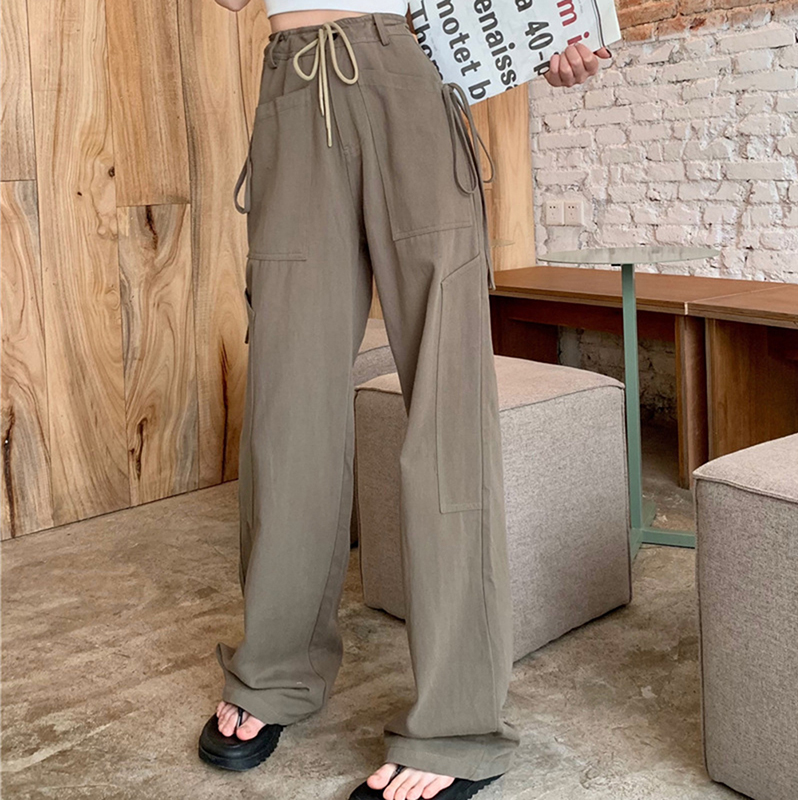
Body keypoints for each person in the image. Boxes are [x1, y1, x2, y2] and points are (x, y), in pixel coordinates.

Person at [198, 3, 611, 799]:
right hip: (293, 85)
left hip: (410, 68)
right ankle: (277, 668)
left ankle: (457, 723)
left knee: (447, 408)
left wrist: (559, 29)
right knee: (287, 411)